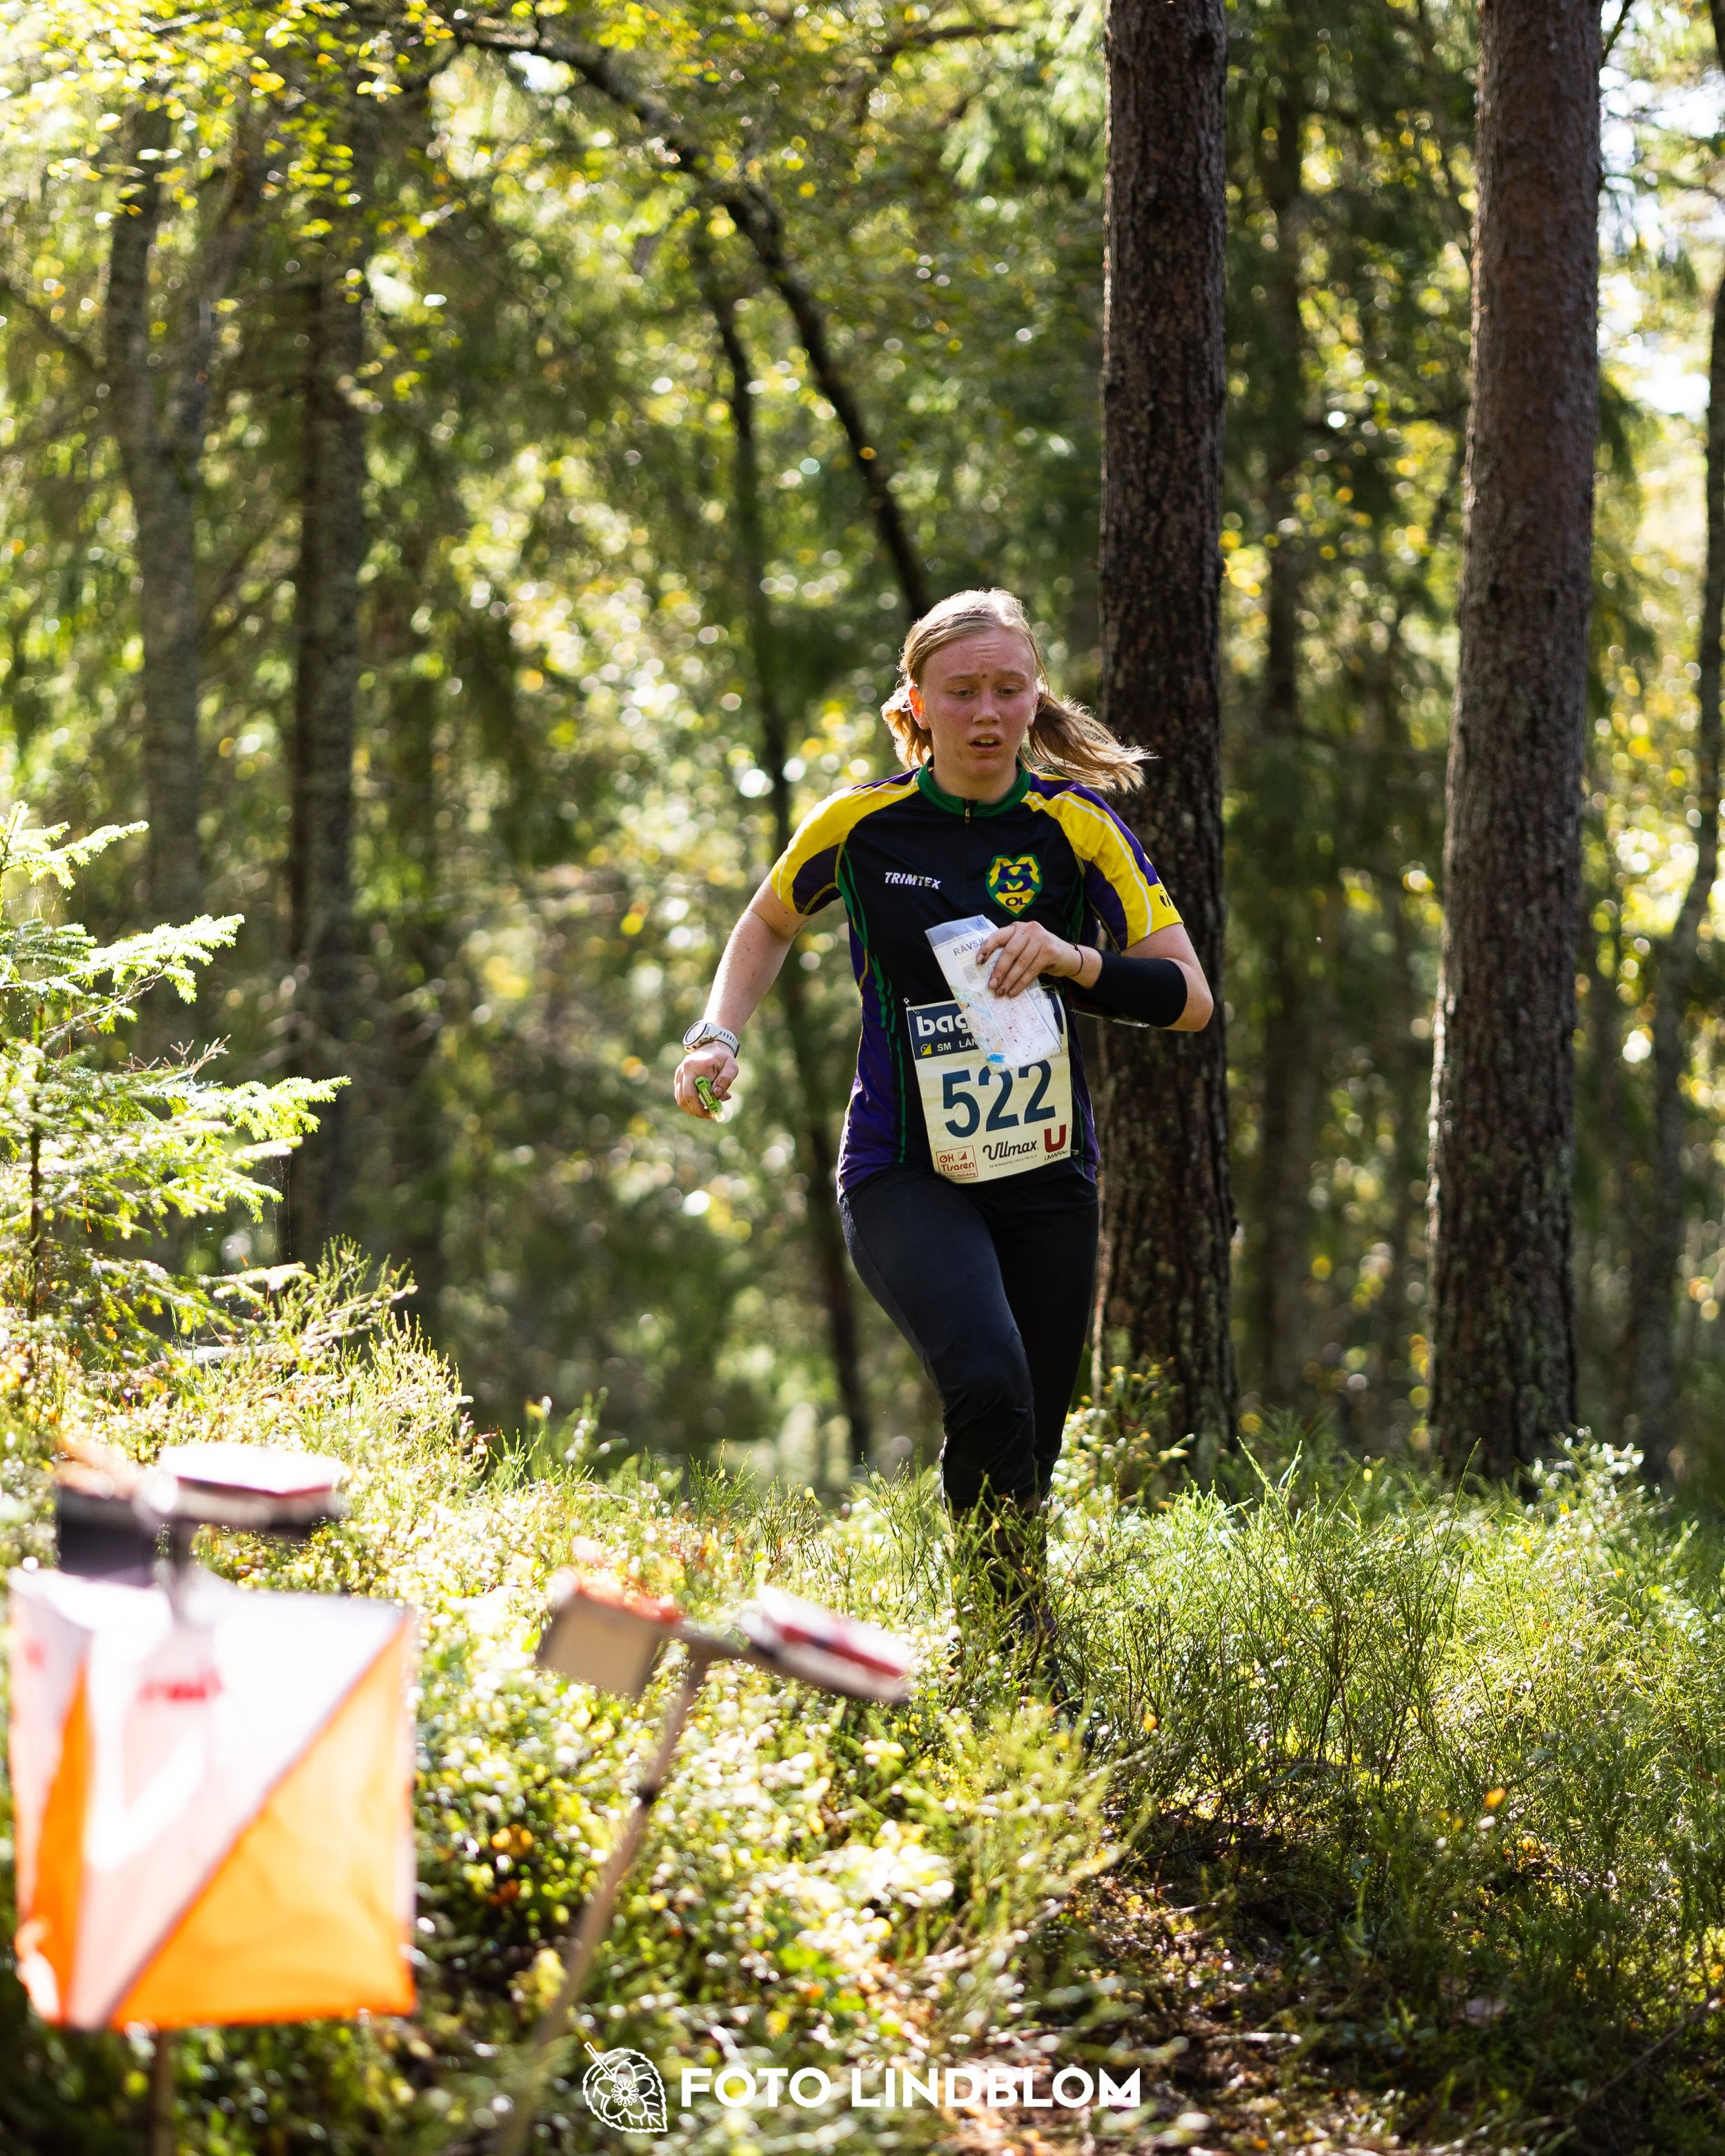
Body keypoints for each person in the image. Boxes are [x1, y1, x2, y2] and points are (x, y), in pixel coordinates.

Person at [673, 589, 1212, 1659]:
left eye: (1008, 688)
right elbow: (766, 922)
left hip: (1046, 1173)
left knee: (1030, 1437)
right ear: (917, 703)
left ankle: (1006, 1650)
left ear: (1033, 697)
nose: (987, 711)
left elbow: (1189, 999)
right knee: (986, 1372)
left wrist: (1071, 959)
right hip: (903, 1169)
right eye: (961, 690)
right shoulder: (860, 825)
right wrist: (716, 1034)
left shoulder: (1076, 827)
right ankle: (1005, 1639)